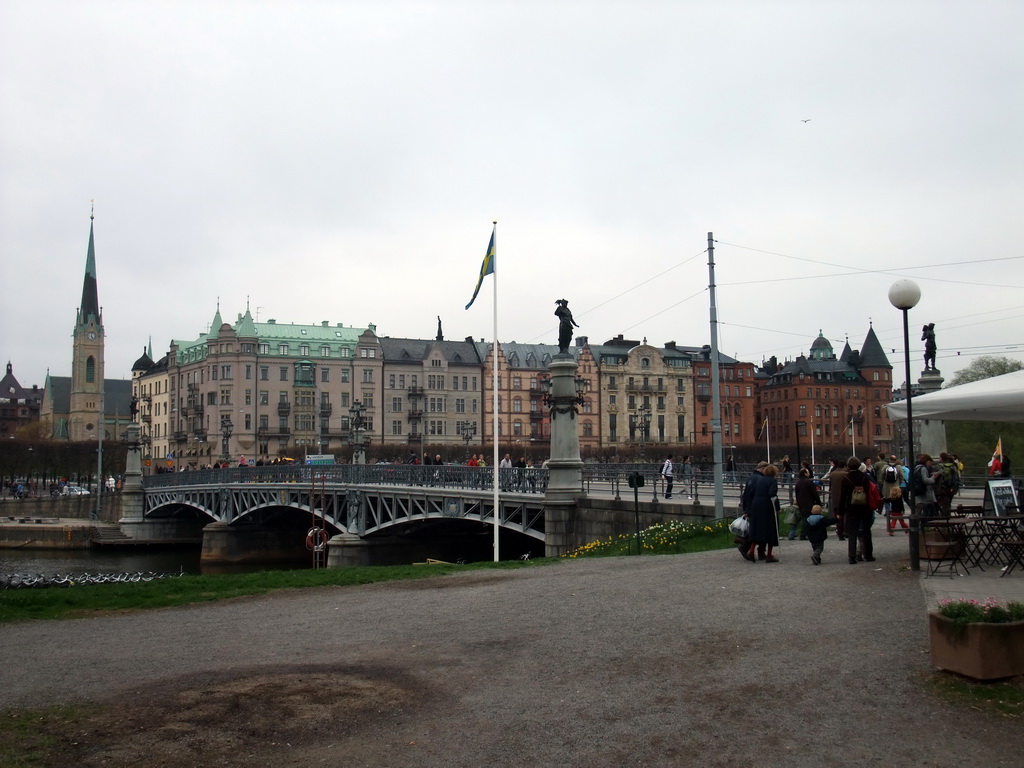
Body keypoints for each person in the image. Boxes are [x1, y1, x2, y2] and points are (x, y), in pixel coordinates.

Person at [741, 464, 780, 563]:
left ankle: (751, 551)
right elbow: (772, 494)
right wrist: (777, 507)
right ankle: (769, 555)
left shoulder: (760, 480)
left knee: (757, 528)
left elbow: (752, 492)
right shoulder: (773, 481)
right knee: (771, 529)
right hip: (766, 506)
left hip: (756, 505)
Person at [839, 456, 874, 564]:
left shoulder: (846, 478)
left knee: (852, 533)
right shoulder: (864, 477)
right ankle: (868, 555)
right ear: (859, 465)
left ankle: (852, 557)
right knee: (866, 531)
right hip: (864, 507)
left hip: (851, 508)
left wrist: (840, 512)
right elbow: (870, 492)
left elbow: (842, 496)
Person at [792, 467, 821, 540]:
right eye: (807, 472)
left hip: (801, 503)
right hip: (809, 502)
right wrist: (818, 502)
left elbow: (797, 493)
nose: (809, 473)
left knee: (805, 518)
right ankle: (804, 534)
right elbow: (815, 493)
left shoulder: (798, 483)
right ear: (805, 473)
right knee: (808, 519)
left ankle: (804, 533)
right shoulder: (809, 482)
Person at [826, 458, 847, 541]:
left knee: (838, 516)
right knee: (845, 515)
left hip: (835, 498)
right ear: (844, 466)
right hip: (844, 498)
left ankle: (839, 532)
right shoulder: (845, 474)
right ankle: (845, 531)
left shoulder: (832, 474)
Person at [913, 453, 939, 518]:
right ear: (926, 461)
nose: (930, 464)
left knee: (920, 509)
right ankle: (924, 524)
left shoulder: (916, 468)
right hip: (925, 492)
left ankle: (921, 523)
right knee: (927, 509)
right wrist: (933, 478)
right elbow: (925, 480)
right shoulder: (923, 468)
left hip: (919, 491)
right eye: (929, 462)